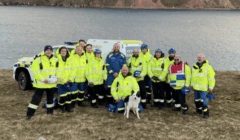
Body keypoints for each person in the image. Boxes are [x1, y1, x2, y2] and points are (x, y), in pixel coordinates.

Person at [26, 45, 59, 120]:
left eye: (50, 50)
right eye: (47, 50)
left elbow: (57, 71)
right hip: (41, 84)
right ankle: (29, 114)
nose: (48, 51)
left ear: (52, 51)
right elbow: (35, 72)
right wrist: (43, 79)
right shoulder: (38, 59)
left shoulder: (55, 60)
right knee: (35, 100)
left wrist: (57, 78)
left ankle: (50, 113)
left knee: (50, 100)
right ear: (44, 51)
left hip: (51, 84)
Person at [191, 53, 215, 119]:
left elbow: (211, 78)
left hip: (203, 88)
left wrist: (211, 88)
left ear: (203, 58)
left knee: (203, 100)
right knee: (196, 100)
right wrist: (192, 85)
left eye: (200, 57)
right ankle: (198, 111)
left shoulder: (208, 67)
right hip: (196, 87)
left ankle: (206, 113)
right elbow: (193, 76)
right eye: (198, 57)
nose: (199, 59)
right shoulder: (194, 66)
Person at [56, 46, 75, 113]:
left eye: (65, 51)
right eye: (62, 51)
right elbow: (56, 72)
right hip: (61, 82)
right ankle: (61, 107)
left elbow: (73, 70)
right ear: (60, 52)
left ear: (67, 52)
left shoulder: (70, 59)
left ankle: (68, 108)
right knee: (63, 97)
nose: (63, 52)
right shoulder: (57, 60)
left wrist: (71, 78)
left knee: (69, 96)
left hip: (69, 81)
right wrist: (63, 80)